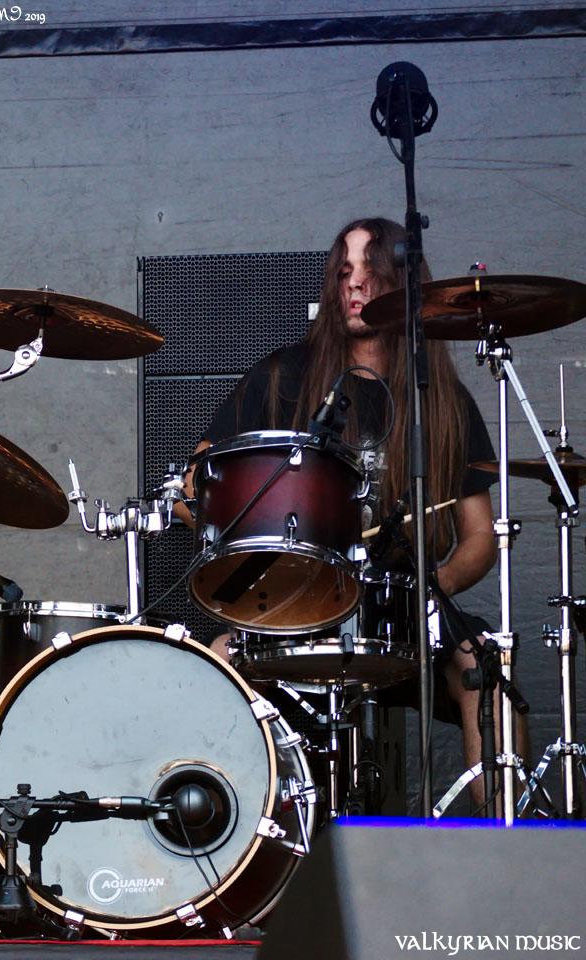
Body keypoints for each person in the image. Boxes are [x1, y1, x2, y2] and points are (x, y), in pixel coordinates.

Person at [186, 217, 517, 811]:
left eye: (371, 271)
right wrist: (235, 530)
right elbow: (198, 484)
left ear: (403, 285)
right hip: (294, 601)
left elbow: (478, 539)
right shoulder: (283, 376)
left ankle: (505, 842)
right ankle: (228, 843)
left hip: (400, 607)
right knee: (219, 660)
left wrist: (432, 587)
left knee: (486, 667)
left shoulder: (442, 400)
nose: (355, 284)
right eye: (343, 272)